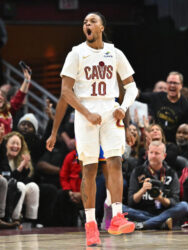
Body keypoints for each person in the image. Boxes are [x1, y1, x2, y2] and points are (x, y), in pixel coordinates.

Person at [46, 12, 138, 246]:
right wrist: (63, 127)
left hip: (110, 110)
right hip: (85, 112)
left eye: (92, 21)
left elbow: (132, 87)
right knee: (89, 169)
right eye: (84, 22)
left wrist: (123, 108)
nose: (87, 24)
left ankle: (117, 216)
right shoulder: (76, 53)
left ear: (101, 27)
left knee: (115, 161)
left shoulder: (115, 53)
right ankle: (90, 225)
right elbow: (66, 92)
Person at [123, 141, 188, 230]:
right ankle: (160, 224)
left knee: (184, 206)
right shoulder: (137, 171)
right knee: (118, 208)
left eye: (157, 153)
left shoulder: (171, 173)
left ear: (164, 156)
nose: (153, 156)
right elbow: (131, 201)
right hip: (143, 212)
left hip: (165, 212)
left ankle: (144, 224)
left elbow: (175, 201)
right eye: (151, 153)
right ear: (147, 154)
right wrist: (142, 190)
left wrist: (160, 199)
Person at [138, 71, 188, 143]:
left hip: (174, 145)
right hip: (156, 142)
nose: (172, 85)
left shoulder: (187, 107)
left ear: (181, 85)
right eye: (169, 82)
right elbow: (140, 96)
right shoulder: (158, 97)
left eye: (175, 83)